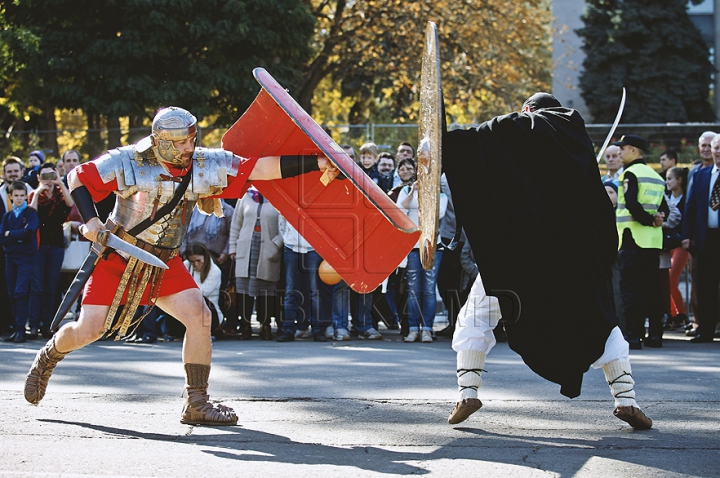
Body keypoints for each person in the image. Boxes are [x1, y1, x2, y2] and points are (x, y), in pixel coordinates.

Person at [22, 106, 339, 426]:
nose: (189, 147)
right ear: (159, 141)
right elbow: (77, 177)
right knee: (89, 329)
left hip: (164, 262)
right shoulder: (128, 160)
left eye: (192, 139)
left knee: (200, 317)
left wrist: (315, 162)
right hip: (118, 257)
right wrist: (90, 220)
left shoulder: (204, 163)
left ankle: (197, 401)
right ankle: (48, 357)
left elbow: (257, 169)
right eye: (180, 142)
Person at [442, 93, 652, 429]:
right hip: (574, 258)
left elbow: (489, 144)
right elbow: (596, 206)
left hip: (519, 255)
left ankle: (468, 392)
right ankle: (626, 400)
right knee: (600, 323)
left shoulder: (526, 127)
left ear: (529, 110)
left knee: (476, 316)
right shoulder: (577, 138)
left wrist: (449, 143)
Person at [615, 134, 669, 349]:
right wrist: (658, 219)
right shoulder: (655, 176)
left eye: (623, 148)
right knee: (653, 290)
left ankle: (634, 335)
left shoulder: (631, 173)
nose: (620, 152)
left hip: (633, 238)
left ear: (633, 150)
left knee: (631, 290)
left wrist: (648, 221)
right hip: (653, 241)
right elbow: (664, 206)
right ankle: (655, 335)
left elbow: (631, 204)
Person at [228, 187, 282, 340]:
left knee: (266, 289)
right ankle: (245, 325)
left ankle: (265, 325)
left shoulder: (277, 197)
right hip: (246, 248)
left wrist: (276, 244)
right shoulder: (245, 196)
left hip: (268, 249)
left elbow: (285, 226)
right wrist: (233, 247)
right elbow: (236, 225)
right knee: (244, 289)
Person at [27, 162, 74, 339]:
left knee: (51, 287)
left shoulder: (61, 195)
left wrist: (60, 183)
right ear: (38, 178)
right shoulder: (35, 195)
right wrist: (39, 190)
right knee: (37, 286)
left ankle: (48, 325)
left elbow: (70, 205)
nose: (48, 179)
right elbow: (31, 214)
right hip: (38, 246)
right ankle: (33, 324)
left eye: (50, 175)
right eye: (44, 176)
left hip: (55, 246)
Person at [397, 178, 447, 342]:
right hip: (412, 246)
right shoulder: (406, 190)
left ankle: (427, 328)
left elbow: (438, 213)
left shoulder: (439, 193)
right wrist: (413, 192)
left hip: (432, 246)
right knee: (413, 290)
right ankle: (413, 329)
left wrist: (427, 192)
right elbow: (400, 209)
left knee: (429, 289)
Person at [682, 134, 720, 343]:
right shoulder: (701, 175)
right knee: (705, 285)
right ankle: (705, 329)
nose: (717, 151)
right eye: (716, 148)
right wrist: (687, 235)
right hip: (707, 237)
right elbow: (691, 207)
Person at [275, 215, 333, 342]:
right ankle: (288, 329)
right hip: (291, 247)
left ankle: (318, 330)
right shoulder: (289, 197)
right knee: (290, 290)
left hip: (313, 248)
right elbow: (282, 219)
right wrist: (286, 239)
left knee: (315, 292)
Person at [0, 181, 39, 343]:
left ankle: (21, 329)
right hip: (11, 258)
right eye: (16, 196)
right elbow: (2, 236)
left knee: (20, 292)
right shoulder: (8, 216)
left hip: (25, 258)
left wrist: (11, 234)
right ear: (10, 197)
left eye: (22, 196)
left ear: (26, 197)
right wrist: (14, 235)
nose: (19, 199)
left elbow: (29, 231)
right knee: (11, 294)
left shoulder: (30, 213)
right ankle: (16, 329)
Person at [664, 167, 690, 329]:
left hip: (681, 245)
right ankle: (672, 314)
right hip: (667, 244)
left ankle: (681, 313)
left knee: (671, 278)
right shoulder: (666, 198)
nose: (667, 182)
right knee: (666, 280)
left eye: (669, 179)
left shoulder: (686, 199)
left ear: (679, 180)